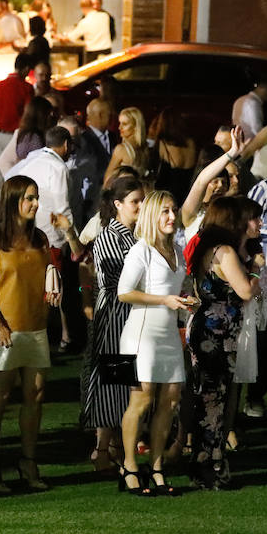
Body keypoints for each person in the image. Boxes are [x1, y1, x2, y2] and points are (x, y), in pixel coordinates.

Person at [0, 175, 59, 493]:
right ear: (13, 201)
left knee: (35, 395)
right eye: (29, 198)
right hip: (6, 329)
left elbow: (48, 274)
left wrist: (56, 288)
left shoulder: (40, 238)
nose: (35, 203)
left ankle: (28, 460)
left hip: (36, 325)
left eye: (36, 197)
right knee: (0, 396)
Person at [117, 190, 190, 496]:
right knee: (142, 399)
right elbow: (124, 292)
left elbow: (179, 286)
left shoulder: (178, 250)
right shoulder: (141, 250)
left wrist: (187, 301)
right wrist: (164, 299)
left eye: (173, 210)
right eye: (165, 212)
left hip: (169, 333)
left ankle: (157, 467)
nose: (172, 217)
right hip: (140, 334)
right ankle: (130, 466)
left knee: (171, 400)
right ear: (152, 216)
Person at [185, 197, 259, 489]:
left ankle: (204, 461)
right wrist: (256, 269)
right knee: (214, 399)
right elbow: (244, 291)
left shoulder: (208, 248)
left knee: (208, 397)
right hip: (217, 334)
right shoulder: (225, 251)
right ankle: (211, 465)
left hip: (208, 329)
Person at [81, 178, 145, 473]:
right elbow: (117, 279)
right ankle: (105, 449)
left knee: (123, 380)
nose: (141, 207)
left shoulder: (133, 235)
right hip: (116, 314)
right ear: (118, 204)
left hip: (131, 313)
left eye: (143, 200)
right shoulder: (109, 235)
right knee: (115, 380)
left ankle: (113, 448)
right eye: (135, 201)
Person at [0, 53, 34, 205]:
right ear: (26, 69)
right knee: (16, 175)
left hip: (1, 135)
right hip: (18, 137)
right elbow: (28, 115)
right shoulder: (26, 88)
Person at [103, 107, 149, 184]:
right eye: (119, 123)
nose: (119, 127)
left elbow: (107, 180)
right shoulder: (145, 148)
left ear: (135, 126)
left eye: (124, 124)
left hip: (125, 193)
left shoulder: (121, 149)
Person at [62, 0, 112, 64]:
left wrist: (58, 36)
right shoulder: (105, 16)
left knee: (93, 74)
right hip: (107, 51)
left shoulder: (84, 22)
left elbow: (70, 37)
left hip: (93, 54)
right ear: (92, 5)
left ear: (83, 8)